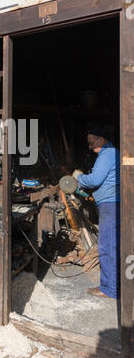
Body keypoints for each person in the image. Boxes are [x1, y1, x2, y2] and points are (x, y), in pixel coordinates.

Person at [73, 126, 120, 299]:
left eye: (92, 142)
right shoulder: (113, 153)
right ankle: (116, 284)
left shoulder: (107, 154)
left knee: (107, 245)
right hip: (114, 203)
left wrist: (79, 178)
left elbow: (95, 179)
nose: (90, 147)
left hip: (110, 204)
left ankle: (109, 289)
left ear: (102, 139)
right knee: (114, 245)